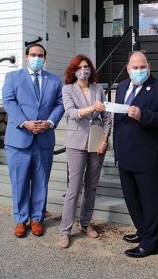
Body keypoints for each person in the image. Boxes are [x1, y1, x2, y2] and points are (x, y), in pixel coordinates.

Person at [113, 51, 158, 258]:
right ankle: (143, 231)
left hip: (148, 157)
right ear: (128, 69)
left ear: (148, 67)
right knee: (132, 200)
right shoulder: (121, 86)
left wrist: (143, 115)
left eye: (142, 67)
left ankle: (151, 244)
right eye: (135, 68)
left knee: (151, 202)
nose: (139, 71)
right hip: (125, 154)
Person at [2, 43, 64, 238]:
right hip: (19, 139)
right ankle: (21, 219)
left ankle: (37, 218)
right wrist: (24, 123)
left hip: (44, 139)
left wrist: (50, 122)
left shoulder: (54, 80)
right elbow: (8, 101)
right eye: (33, 55)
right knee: (19, 181)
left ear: (45, 58)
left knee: (40, 181)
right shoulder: (13, 77)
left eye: (41, 55)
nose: (37, 58)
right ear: (26, 57)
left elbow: (60, 103)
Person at [59, 55, 112, 248]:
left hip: (97, 141)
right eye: (80, 67)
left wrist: (105, 140)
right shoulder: (67, 89)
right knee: (74, 188)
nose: (84, 70)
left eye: (87, 66)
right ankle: (65, 231)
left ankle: (85, 223)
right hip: (76, 142)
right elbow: (71, 113)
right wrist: (91, 108)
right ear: (74, 71)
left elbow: (107, 117)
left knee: (92, 186)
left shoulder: (98, 89)